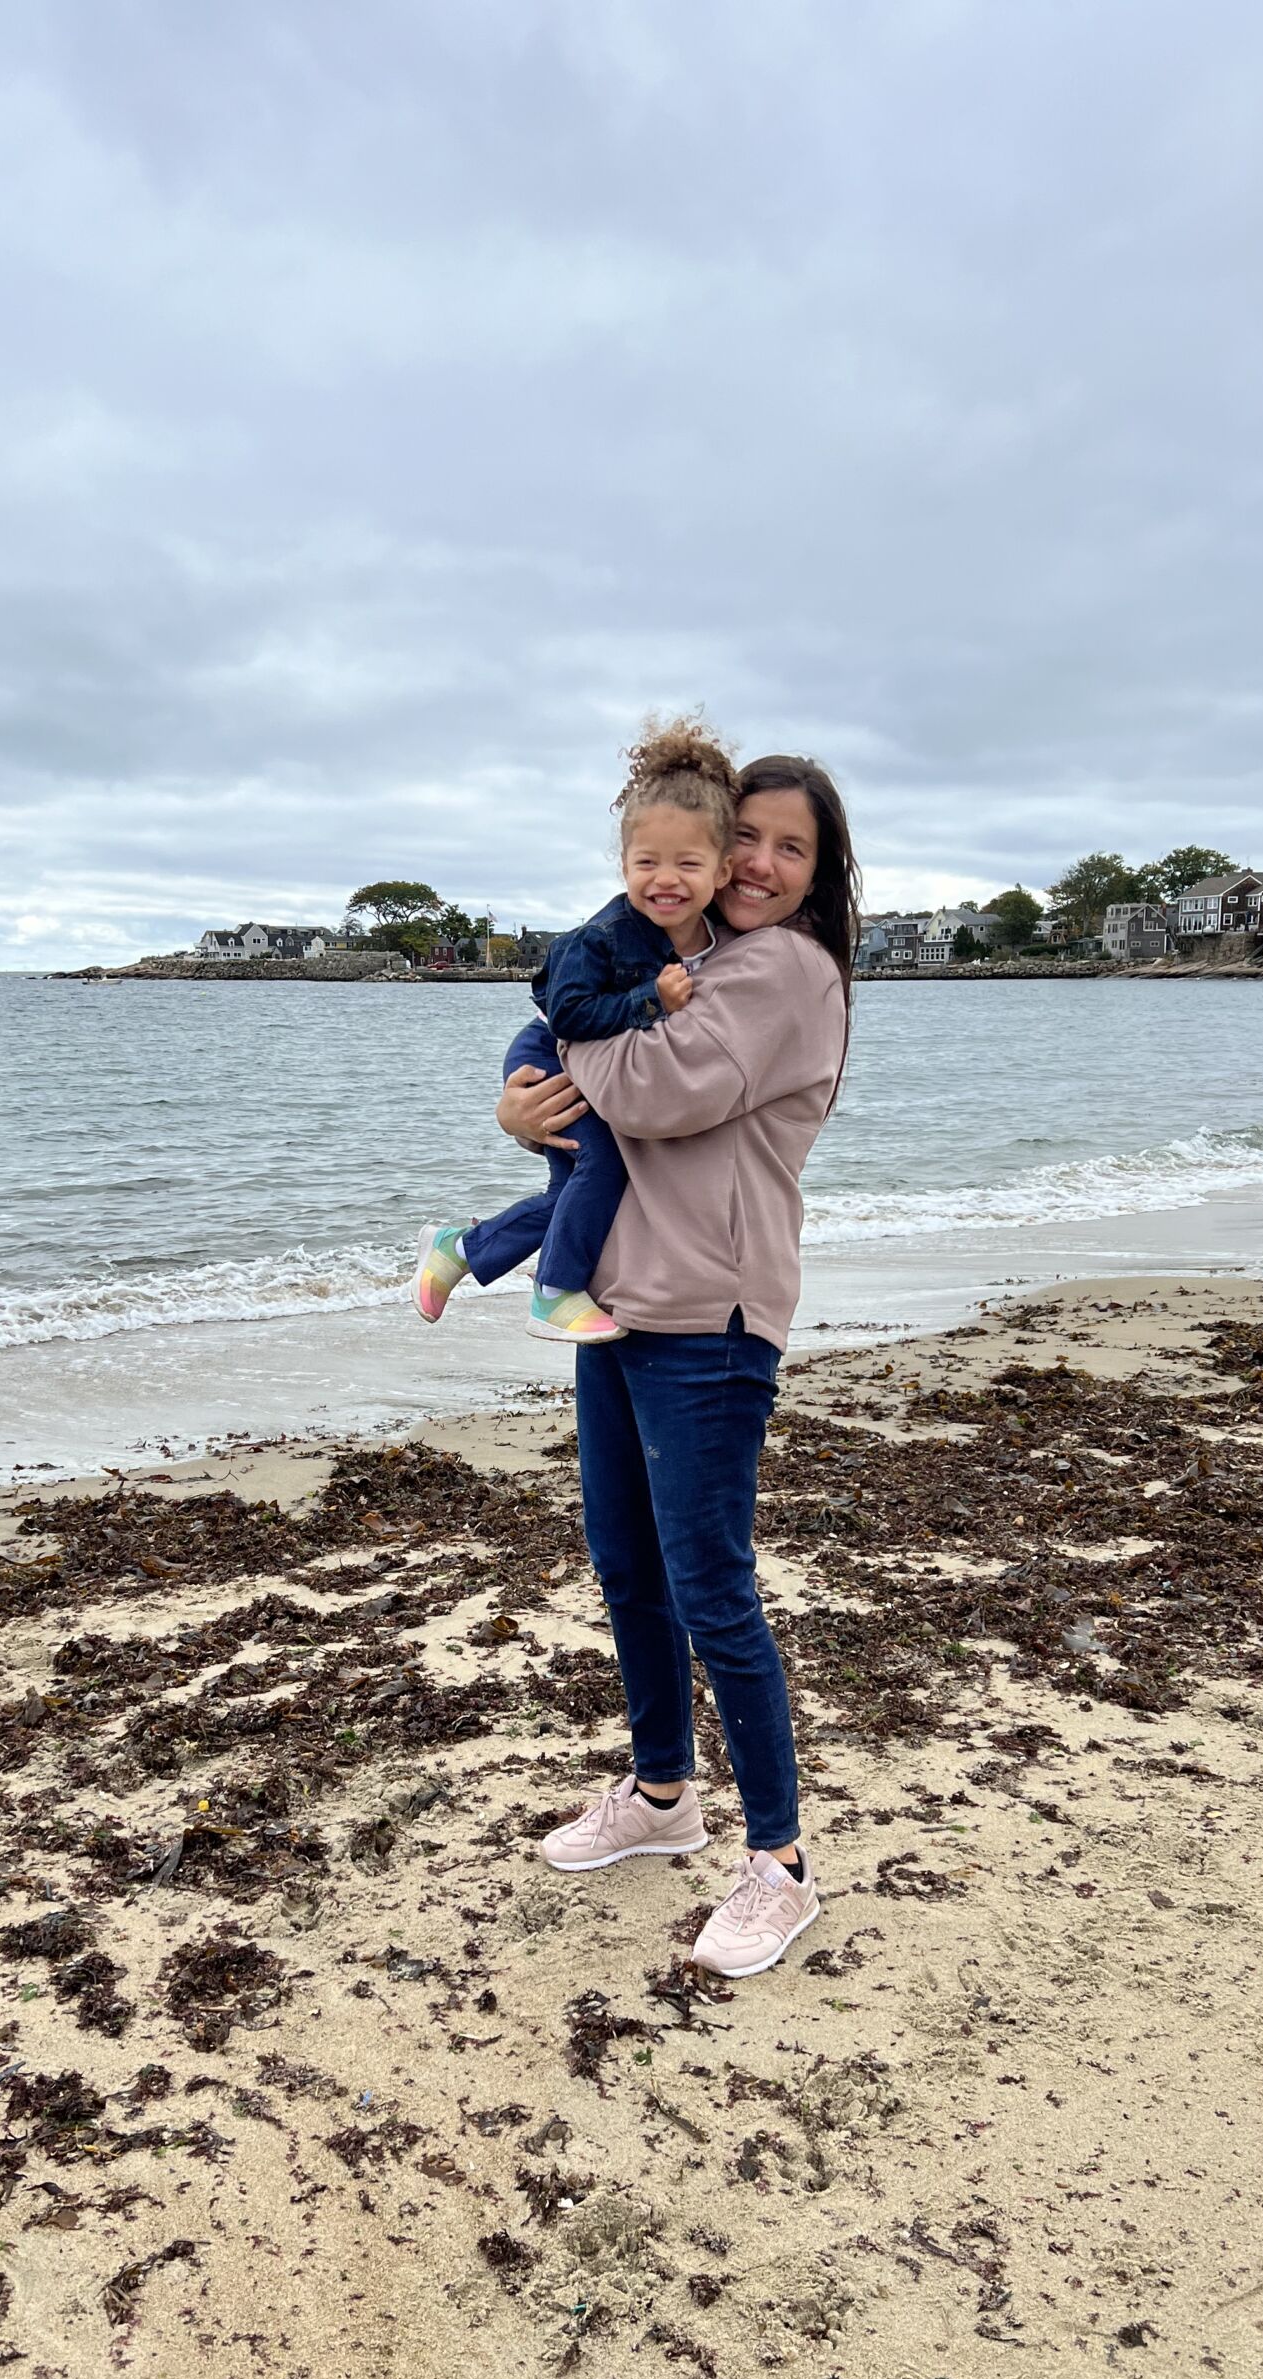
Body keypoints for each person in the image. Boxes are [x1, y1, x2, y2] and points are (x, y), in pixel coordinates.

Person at [499, 751, 860, 1977]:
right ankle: (662, 1794)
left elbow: (654, 1093)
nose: (758, 864)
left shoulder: (789, 971)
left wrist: (560, 1036)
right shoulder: (688, 957)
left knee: (712, 1585)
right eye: (744, 838)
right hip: (621, 1301)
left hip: (713, 1314)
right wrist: (519, 1094)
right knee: (625, 1564)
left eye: (787, 848)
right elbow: (566, 1037)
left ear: (820, 872)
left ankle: (781, 1865)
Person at [411, 720, 737, 1343]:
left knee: (580, 1188)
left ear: (721, 872)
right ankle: (554, 1290)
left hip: (581, 1054)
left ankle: (457, 1250)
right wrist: (652, 999)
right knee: (603, 1164)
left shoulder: (714, 938)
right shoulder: (600, 938)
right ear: (623, 864)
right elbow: (571, 1017)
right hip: (549, 1051)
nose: (665, 879)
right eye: (647, 863)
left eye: (687, 864)